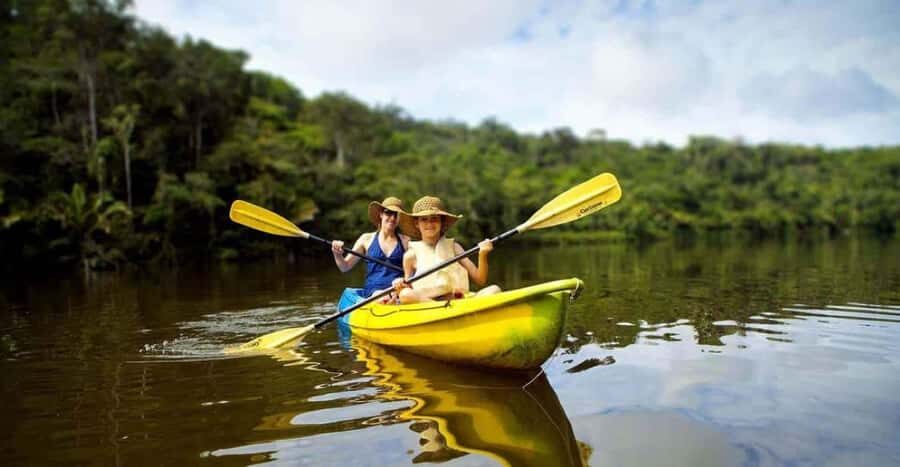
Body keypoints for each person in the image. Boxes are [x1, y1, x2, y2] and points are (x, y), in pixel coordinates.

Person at [392, 196, 501, 304]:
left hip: (460, 301)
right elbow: (408, 287)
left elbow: (480, 279)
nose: (429, 224)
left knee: (494, 289)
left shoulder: (454, 247)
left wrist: (482, 254)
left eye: (434, 219)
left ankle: (451, 309)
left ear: (441, 222)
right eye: (424, 219)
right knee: (405, 294)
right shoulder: (410, 256)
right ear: (417, 224)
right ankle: (441, 308)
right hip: (429, 305)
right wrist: (400, 284)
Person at [332, 197, 411, 299]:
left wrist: (404, 282)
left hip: (398, 291)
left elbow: (413, 272)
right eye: (388, 213)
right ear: (381, 214)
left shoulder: (406, 241)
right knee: (381, 296)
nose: (392, 218)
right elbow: (345, 267)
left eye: (396, 214)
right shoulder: (366, 239)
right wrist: (337, 254)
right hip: (373, 292)